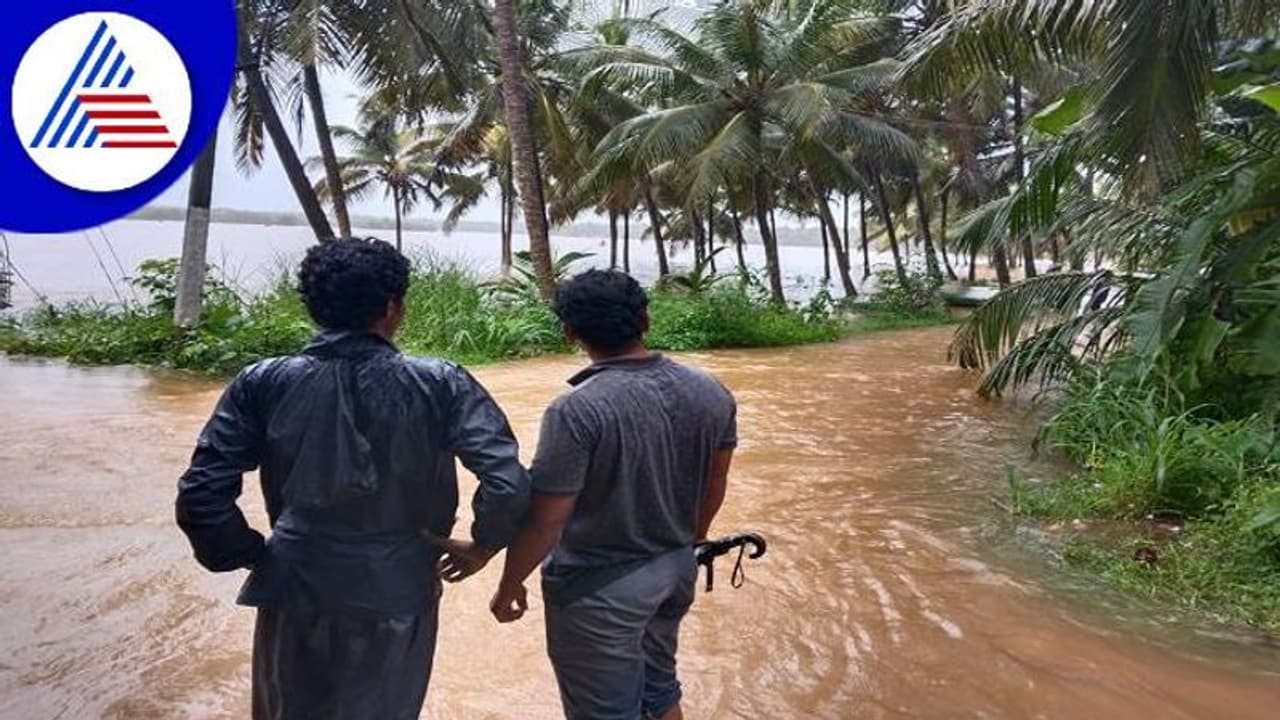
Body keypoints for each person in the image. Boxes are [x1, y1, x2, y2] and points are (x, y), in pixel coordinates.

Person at [175, 237, 530, 720]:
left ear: (314, 307)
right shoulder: (441, 381)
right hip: (397, 590)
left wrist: (252, 553)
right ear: (393, 308)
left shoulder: (261, 380)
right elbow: (507, 482)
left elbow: (201, 493)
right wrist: (483, 546)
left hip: (294, 582)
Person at [488, 269, 737, 720]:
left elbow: (548, 519)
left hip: (600, 587)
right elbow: (715, 482)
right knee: (660, 691)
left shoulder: (576, 409)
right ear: (645, 320)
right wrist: (691, 537)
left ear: (569, 332)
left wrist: (510, 581)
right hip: (675, 569)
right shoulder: (710, 391)